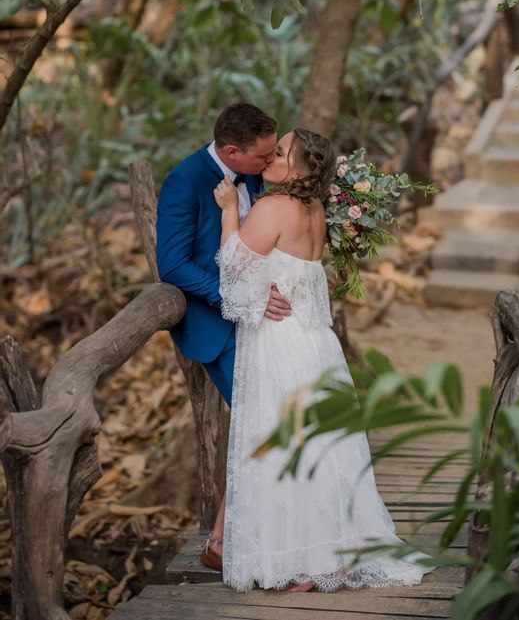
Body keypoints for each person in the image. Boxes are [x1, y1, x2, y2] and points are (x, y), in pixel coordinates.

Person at [213, 128, 431, 593]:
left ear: (300, 169)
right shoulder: (315, 211)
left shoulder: (272, 207)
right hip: (315, 343)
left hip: (280, 341)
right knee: (319, 449)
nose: (272, 154)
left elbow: (232, 273)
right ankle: (330, 556)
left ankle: (311, 561)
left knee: (286, 446)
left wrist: (230, 211)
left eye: (282, 151)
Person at [156, 103, 292, 571]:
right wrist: (238, 298)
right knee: (266, 423)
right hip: (218, 325)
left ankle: (227, 539)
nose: (270, 163)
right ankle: (235, 540)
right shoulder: (184, 181)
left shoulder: (253, 173)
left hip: (264, 323)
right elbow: (172, 265)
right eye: (263, 157)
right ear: (232, 152)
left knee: (273, 421)